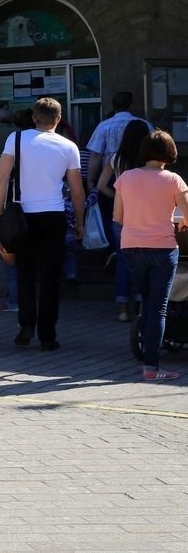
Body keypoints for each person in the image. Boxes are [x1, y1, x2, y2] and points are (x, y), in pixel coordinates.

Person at [0, 98, 85, 351]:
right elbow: (77, 192)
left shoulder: (16, 139)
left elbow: (0, 181)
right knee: (50, 277)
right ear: (58, 119)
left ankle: (25, 327)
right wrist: (80, 222)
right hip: (54, 214)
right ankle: (47, 334)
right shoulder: (68, 147)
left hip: (23, 213)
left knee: (25, 273)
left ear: (34, 117)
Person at [113, 130, 188, 381]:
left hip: (131, 247)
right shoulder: (174, 180)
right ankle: (151, 368)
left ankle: (147, 355)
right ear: (169, 153)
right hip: (163, 248)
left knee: (147, 303)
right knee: (159, 309)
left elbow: (118, 217)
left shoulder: (125, 177)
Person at [97, 120, 152, 322]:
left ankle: (122, 308)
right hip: (145, 216)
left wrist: (118, 196)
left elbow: (102, 186)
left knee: (123, 260)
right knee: (144, 261)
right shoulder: (149, 159)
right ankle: (140, 305)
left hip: (121, 214)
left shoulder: (115, 159)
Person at [86, 91, 151, 190]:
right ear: (131, 105)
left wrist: (90, 181)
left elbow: (95, 155)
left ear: (113, 107)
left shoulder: (103, 126)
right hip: (141, 174)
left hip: (110, 177)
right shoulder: (144, 124)